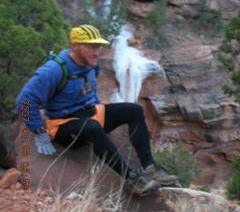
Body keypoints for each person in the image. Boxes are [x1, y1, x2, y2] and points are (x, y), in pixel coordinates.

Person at [16, 24, 178, 196]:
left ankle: (149, 168)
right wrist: (38, 131)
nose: (96, 52)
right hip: (64, 124)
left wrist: (95, 104)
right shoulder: (54, 70)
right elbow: (24, 101)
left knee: (134, 110)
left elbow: (88, 88)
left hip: (92, 113)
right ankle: (132, 179)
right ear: (74, 46)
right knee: (92, 128)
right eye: (90, 47)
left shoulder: (92, 64)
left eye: (99, 47)